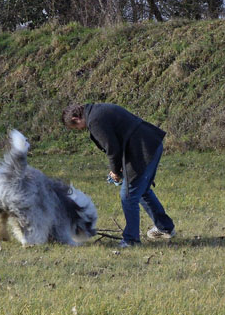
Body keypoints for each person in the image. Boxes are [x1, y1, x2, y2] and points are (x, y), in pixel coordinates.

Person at [63, 102, 175, 248]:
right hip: (149, 144)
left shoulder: (94, 120)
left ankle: (131, 240)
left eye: (75, 128)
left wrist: (115, 171)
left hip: (143, 149)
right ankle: (165, 227)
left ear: (76, 119)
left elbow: (113, 149)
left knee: (128, 196)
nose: (78, 130)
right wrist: (120, 168)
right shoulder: (96, 110)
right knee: (141, 191)